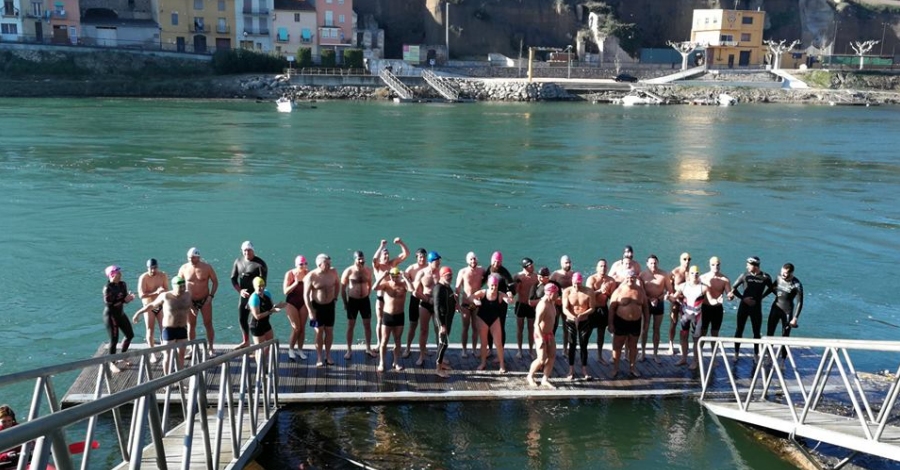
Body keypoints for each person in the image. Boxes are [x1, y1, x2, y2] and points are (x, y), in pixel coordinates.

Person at [133, 275, 192, 375]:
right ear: (173, 286)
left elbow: (192, 305)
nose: (182, 289)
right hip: (169, 330)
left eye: (183, 286)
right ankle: (167, 381)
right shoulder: (166, 296)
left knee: (181, 355)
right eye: (180, 286)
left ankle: (180, 381)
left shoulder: (188, 295)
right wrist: (138, 313)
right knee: (167, 356)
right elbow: (152, 305)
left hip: (182, 329)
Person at [729, 256, 774, 362]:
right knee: (739, 330)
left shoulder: (765, 277)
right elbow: (733, 288)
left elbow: (772, 288)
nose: (746, 266)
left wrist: (762, 297)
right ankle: (736, 353)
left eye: (748, 265)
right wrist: (743, 299)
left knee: (756, 332)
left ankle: (756, 354)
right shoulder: (745, 276)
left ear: (754, 265)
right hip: (744, 306)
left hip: (756, 307)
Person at [178, 247, 219, 354]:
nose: (191, 260)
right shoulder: (184, 268)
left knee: (208, 323)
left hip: (205, 299)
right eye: (189, 258)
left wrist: (210, 296)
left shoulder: (207, 267)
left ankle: (211, 348)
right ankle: (192, 349)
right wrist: (188, 303)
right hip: (190, 300)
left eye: (193, 258)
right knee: (191, 325)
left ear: (198, 257)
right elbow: (178, 285)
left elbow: (215, 282)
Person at [608, 270, 648, 378]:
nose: (630, 280)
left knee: (633, 346)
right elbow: (611, 308)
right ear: (625, 278)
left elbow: (645, 308)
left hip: (635, 322)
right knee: (617, 346)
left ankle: (632, 368)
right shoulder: (619, 291)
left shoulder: (640, 291)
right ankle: (615, 368)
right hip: (621, 321)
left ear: (635, 278)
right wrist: (610, 324)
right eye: (628, 278)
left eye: (632, 278)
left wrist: (646, 323)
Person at [470, 274, 513, 373]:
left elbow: (509, 301)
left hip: (495, 319)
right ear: (488, 285)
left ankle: (502, 365)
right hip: (482, 319)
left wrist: (510, 298)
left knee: (498, 343)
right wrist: (475, 301)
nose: (494, 287)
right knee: (484, 343)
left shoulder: (500, 294)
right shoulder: (483, 293)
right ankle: (483, 363)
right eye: (492, 285)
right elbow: (470, 297)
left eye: (496, 285)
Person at [373, 267, 412, 372]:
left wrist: (405, 278)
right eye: (392, 276)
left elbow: (412, 290)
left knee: (398, 340)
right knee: (384, 341)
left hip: (399, 316)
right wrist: (382, 276)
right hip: (387, 316)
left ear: (398, 275)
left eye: (396, 276)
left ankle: (396, 362)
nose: (394, 278)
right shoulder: (386, 284)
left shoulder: (403, 284)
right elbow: (374, 288)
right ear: (389, 275)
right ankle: (382, 362)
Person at [372, 238, 410, 345]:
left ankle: (395, 344)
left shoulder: (393, 263)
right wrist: (381, 246)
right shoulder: (378, 266)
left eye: (387, 254)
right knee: (380, 321)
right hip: (381, 298)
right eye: (384, 254)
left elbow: (406, 254)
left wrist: (401, 243)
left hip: (393, 297)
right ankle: (379, 343)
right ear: (380, 256)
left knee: (394, 323)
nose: (386, 256)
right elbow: (374, 259)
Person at [304, 253, 340, 367]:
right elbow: (306, 295)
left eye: (330, 263)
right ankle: (319, 356)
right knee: (318, 332)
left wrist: (335, 298)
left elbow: (338, 284)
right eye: (327, 263)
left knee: (329, 331)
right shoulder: (311, 276)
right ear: (319, 264)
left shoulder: (333, 272)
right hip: (316, 307)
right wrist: (310, 311)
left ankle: (328, 355)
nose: (329, 265)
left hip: (329, 306)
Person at [230, 241, 267, 349]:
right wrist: (240, 291)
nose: (247, 252)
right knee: (242, 318)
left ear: (253, 250)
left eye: (249, 250)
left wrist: (256, 294)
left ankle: (260, 344)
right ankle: (246, 341)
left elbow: (263, 283)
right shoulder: (238, 261)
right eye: (245, 250)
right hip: (244, 296)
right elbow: (233, 279)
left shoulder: (260, 264)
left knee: (256, 321)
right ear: (242, 251)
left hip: (256, 297)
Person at [341, 251, 376, 360]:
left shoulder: (368, 270)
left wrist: (367, 295)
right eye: (359, 259)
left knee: (367, 325)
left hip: (364, 301)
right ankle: (349, 350)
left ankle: (368, 348)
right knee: (350, 326)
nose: (361, 261)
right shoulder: (348, 271)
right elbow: (342, 288)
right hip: (353, 301)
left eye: (362, 259)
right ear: (355, 259)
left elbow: (370, 284)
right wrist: (345, 303)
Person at [672, 266, 707, 370]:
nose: (694, 275)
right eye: (692, 273)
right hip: (685, 315)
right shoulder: (683, 286)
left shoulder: (703, 288)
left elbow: (709, 301)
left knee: (696, 339)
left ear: (699, 274)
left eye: (696, 273)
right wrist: (667, 297)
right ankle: (683, 358)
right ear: (689, 274)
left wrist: (717, 301)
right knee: (683, 336)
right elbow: (674, 297)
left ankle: (695, 361)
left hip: (697, 317)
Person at [766, 263, 803, 361]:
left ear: (791, 273)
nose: (783, 275)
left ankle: (782, 360)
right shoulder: (779, 278)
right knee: (770, 333)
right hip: (775, 308)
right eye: (782, 272)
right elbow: (771, 289)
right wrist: (760, 298)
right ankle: (769, 356)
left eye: (786, 273)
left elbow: (800, 302)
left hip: (787, 311)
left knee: (785, 336)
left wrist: (795, 318)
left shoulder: (797, 284)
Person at [247, 276, 286, 369]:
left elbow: (271, 306)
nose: (261, 288)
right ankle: (260, 368)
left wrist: (279, 305)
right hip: (256, 325)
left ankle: (262, 361)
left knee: (270, 343)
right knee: (259, 348)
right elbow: (257, 316)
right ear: (254, 287)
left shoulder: (267, 293)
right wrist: (271, 311)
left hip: (265, 323)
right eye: (259, 286)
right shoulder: (254, 298)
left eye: (262, 285)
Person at [562, 272, 595, 380]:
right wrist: (574, 317)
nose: (577, 286)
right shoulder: (567, 291)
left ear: (582, 282)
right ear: (572, 281)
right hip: (571, 321)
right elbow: (565, 308)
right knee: (571, 345)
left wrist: (581, 315)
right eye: (575, 284)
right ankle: (571, 370)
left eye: (579, 284)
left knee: (583, 345)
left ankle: (584, 370)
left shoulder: (588, 291)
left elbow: (592, 308)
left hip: (584, 321)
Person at [103, 265, 135, 372]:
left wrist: (129, 298)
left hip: (120, 313)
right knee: (114, 339)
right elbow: (110, 304)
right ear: (112, 275)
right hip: (110, 316)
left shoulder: (123, 284)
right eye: (118, 273)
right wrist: (125, 300)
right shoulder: (107, 288)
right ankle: (112, 363)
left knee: (130, 335)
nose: (120, 274)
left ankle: (123, 355)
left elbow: (124, 298)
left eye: (120, 272)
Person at [526, 283, 559, 389]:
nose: (558, 295)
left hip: (549, 334)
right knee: (541, 359)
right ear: (550, 293)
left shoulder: (552, 302)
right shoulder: (543, 305)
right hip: (540, 334)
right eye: (556, 293)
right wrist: (540, 339)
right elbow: (536, 324)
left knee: (552, 356)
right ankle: (530, 376)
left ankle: (545, 379)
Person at [639, 255, 671, 363]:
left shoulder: (664, 275)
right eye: (651, 263)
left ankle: (655, 354)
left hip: (659, 303)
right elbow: (641, 292)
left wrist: (658, 299)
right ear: (647, 264)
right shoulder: (642, 275)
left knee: (656, 329)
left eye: (655, 263)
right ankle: (643, 352)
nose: (653, 265)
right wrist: (649, 299)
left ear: (658, 263)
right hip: (647, 304)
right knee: (645, 328)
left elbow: (669, 291)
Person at [135, 258, 168, 363]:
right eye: (151, 268)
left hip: (160, 305)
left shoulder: (162, 275)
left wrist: (163, 292)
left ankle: (164, 349)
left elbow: (167, 290)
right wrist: (156, 292)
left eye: (155, 268)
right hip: (148, 307)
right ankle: (152, 354)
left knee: (164, 328)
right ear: (147, 268)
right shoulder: (143, 278)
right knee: (150, 329)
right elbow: (141, 295)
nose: (153, 270)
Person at [412, 251, 441, 366]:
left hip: (437, 304)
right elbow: (415, 292)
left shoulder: (440, 272)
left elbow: (446, 287)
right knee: (423, 330)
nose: (439, 262)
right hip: (425, 303)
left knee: (439, 330)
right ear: (430, 262)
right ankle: (422, 355)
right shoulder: (422, 273)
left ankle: (440, 356)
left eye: (439, 260)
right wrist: (427, 299)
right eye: (437, 261)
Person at [586, 259, 617, 364]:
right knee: (586, 333)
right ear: (597, 267)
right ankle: (583, 355)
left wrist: (607, 293)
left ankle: (599, 356)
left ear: (607, 268)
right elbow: (587, 296)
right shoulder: (592, 279)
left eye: (604, 266)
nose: (603, 268)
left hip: (603, 309)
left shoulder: (611, 281)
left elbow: (613, 298)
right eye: (601, 266)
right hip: (591, 309)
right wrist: (599, 291)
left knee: (601, 334)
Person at [482, 251, 514, 349]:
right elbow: (482, 282)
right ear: (492, 261)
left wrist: (510, 292)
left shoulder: (504, 272)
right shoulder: (489, 269)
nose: (496, 264)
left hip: (501, 303)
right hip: (489, 301)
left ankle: (501, 350)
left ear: (501, 262)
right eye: (495, 261)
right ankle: (490, 349)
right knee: (488, 325)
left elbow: (511, 286)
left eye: (499, 262)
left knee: (500, 327)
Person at [455, 251, 485, 358]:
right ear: (468, 260)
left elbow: (490, 278)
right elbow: (457, 288)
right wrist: (456, 304)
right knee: (465, 327)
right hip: (466, 304)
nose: (473, 261)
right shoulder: (462, 271)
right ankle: (464, 350)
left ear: (477, 259)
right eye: (471, 259)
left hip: (476, 304)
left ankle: (474, 349)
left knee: (475, 328)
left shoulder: (482, 270)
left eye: (474, 259)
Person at [282, 255, 309, 360]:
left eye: (305, 263)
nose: (303, 266)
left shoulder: (308, 273)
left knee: (302, 328)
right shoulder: (290, 274)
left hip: (303, 303)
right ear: (296, 264)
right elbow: (285, 291)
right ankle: (291, 349)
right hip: (291, 303)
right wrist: (296, 283)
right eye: (301, 264)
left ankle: (300, 349)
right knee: (296, 328)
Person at [403, 248, 429, 360]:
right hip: (415, 299)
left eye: (423, 257)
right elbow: (404, 282)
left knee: (424, 327)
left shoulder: (429, 268)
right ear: (416, 257)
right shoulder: (411, 268)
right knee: (413, 325)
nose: (422, 259)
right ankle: (408, 347)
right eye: (420, 257)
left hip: (426, 299)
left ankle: (423, 349)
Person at [432, 266, 457, 378]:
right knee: (443, 344)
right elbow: (436, 307)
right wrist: (441, 324)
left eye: (451, 275)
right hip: (441, 320)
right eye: (448, 275)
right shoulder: (438, 288)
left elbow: (450, 299)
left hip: (448, 319)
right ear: (442, 275)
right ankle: (438, 369)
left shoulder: (447, 287)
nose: (450, 277)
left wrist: (456, 304)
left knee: (444, 344)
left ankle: (441, 364)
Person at [700, 256, 732, 342]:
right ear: (709, 265)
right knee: (702, 332)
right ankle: (699, 353)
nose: (715, 267)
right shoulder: (703, 278)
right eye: (713, 265)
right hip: (705, 307)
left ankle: (713, 353)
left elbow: (729, 294)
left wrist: (730, 296)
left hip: (717, 309)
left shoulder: (725, 280)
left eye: (717, 265)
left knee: (715, 333)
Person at [513, 257, 539, 359]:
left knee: (531, 329)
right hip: (520, 304)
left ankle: (531, 350)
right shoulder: (518, 276)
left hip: (531, 305)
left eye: (533, 265)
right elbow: (513, 291)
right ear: (525, 267)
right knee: (520, 328)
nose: (532, 267)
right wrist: (517, 285)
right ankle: (519, 350)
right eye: (530, 266)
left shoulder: (536, 277)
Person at [668, 252, 691, 355]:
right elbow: (668, 288)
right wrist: (672, 298)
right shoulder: (675, 272)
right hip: (675, 301)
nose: (687, 261)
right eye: (685, 259)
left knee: (685, 325)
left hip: (687, 302)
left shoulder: (692, 273)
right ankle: (671, 344)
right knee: (673, 322)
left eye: (689, 259)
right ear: (680, 260)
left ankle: (683, 344)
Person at [550, 255, 574, 355]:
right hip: (557, 304)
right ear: (561, 263)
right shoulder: (555, 275)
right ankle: (551, 348)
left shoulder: (573, 275)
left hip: (568, 304)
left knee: (567, 327)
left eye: (569, 262)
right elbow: (549, 288)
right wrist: (556, 298)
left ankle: (565, 349)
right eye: (566, 263)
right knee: (553, 326)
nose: (568, 264)